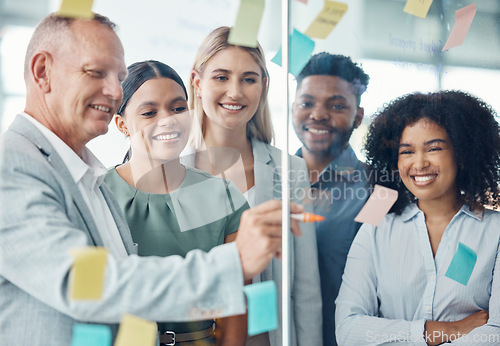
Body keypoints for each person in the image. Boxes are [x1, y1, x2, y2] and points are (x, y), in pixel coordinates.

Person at [0, 13, 304, 346]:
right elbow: (88, 283)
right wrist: (231, 265)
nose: (114, 90)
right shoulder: (16, 168)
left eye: (117, 76)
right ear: (43, 72)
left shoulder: (86, 176)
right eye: (96, 72)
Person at [187, 26, 322, 346]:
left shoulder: (290, 170)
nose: (235, 92)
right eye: (221, 77)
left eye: (248, 79)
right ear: (197, 82)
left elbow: (306, 289)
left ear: (263, 86)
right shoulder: (171, 170)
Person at [335, 91, 500, 345]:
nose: (419, 163)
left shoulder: (494, 231)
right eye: (407, 152)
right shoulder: (376, 225)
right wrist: (447, 330)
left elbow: (496, 332)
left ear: (463, 154)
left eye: (433, 148)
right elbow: (348, 329)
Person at [104, 60, 248, 345]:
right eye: (149, 112)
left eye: (178, 108)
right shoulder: (97, 194)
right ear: (122, 124)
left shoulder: (225, 197)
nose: (167, 119)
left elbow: (234, 310)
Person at [292, 52, 371, 346]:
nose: (318, 114)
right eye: (307, 103)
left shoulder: (378, 190)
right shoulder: (269, 179)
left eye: (336, 105)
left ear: (357, 116)